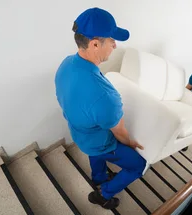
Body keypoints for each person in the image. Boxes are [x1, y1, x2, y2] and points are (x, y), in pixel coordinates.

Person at [55, 8, 146, 210]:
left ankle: (99, 177)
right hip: (99, 142)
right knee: (138, 166)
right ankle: (103, 194)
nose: (115, 45)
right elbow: (120, 133)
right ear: (95, 44)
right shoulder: (106, 97)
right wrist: (130, 143)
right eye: (111, 40)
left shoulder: (66, 64)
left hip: (80, 134)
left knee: (94, 151)